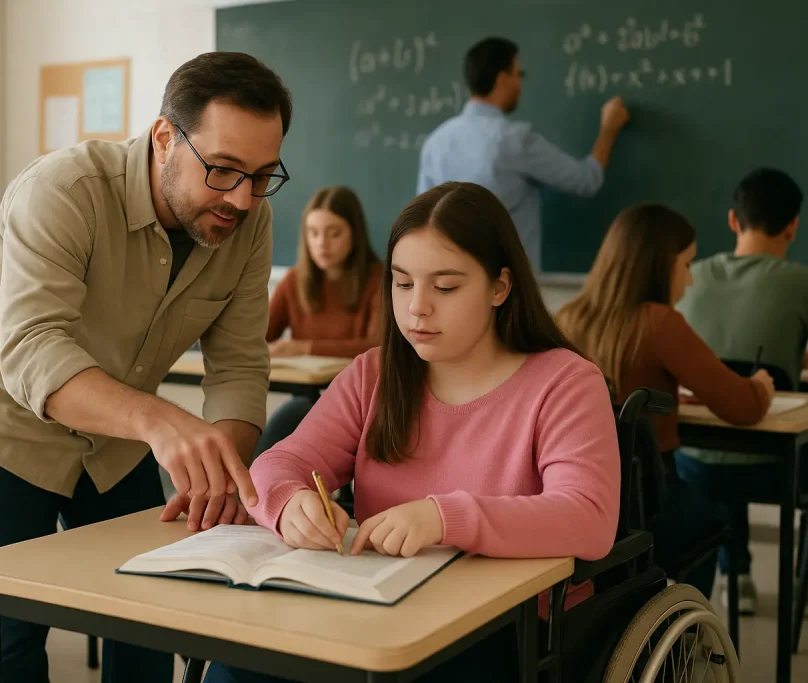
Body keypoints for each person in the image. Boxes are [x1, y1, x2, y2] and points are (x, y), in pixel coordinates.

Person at [0, 52, 293, 683]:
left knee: (149, 613)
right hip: (1, 424)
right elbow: (34, 347)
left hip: (117, 435)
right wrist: (162, 423)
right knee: (14, 628)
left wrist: (218, 469)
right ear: (162, 138)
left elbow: (238, 365)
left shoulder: (249, 221)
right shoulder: (63, 190)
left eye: (262, 176)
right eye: (224, 170)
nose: (242, 198)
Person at [204, 182, 621, 683]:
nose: (417, 308)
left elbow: (589, 518)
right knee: (239, 665)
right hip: (377, 608)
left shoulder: (565, 381)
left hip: (502, 629)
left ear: (500, 287)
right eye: (402, 284)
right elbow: (279, 462)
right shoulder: (372, 375)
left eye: (445, 287)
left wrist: (444, 518)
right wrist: (291, 503)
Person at [556, 203, 774, 599]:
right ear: (659, 265)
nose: (690, 281)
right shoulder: (659, 322)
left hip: (580, 508)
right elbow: (742, 408)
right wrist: (761, 385)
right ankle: (687, 634)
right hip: (646, 507)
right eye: (687, 265)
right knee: (712, 517)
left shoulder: (567, 319)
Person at [675, 168, 808, 615]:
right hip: (776, 468)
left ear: (732, 221)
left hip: (690, 464)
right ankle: (806, 584)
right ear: (793, 226)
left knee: (728, 434)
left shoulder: (690, 276)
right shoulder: (800, 282)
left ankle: (736, 577)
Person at [416, 37, 630, 272]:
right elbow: (586, 181)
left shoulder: (435, 142)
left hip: (449, 283)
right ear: (502, 78)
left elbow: (425, 222)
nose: (520, 83)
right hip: (509, 289)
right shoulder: (514, 140)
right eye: (519, 74)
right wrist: (608, 131)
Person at [257, 186, 382, 455]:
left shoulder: (380, 280)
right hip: (311, 397)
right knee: (266, 433)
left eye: (334, 233)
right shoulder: (294, 281)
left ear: (354, 234)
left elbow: (377, 345)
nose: (321, 244)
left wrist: (303, 347)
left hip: (365, 401)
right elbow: (256, 337)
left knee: (295, 419)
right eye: (313, 233)